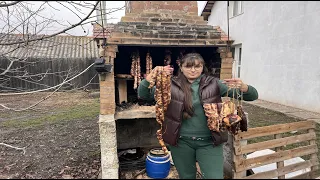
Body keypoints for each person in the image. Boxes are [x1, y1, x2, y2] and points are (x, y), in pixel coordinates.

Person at [138, 53, 258, 179]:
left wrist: (244, 87)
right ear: (181, 67)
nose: (193, 70)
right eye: (188, 66)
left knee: (214, 177)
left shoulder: (214, 83)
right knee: (187, 176)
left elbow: (252, 96)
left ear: (202, 67)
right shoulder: (170, 84)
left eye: (197, 66)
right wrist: (148, 79)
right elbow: (144, 95)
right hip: (181, 142)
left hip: (210, 142)